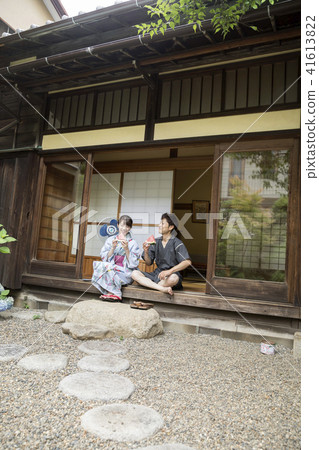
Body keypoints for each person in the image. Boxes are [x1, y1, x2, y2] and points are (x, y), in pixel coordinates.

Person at [131, 213, 191, 295]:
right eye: (160, 223)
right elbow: (148, 263)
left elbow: (187, 262)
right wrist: (146, 251)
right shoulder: (156, 242)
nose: (159, 225)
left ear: (171, 227)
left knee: (174, 278)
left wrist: (169, 271)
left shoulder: (177, 243)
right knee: (134, 273)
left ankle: (151, 286)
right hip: (157, 274)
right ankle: (161, 288)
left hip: (170, 275)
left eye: (162, 223)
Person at [92, 215, 140, 301]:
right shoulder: (110, 240)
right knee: (98, 264)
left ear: (130, 228)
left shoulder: (133, 243)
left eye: (127, 226)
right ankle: (111, 292)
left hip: (126, 272)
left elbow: (134, 264)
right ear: (117, 225)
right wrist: (113, 248)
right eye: (122, 225)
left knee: (108, 267)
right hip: (111, 270)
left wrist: (126, 249)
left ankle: (115, 293)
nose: (124, 228)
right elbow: (104, 258)